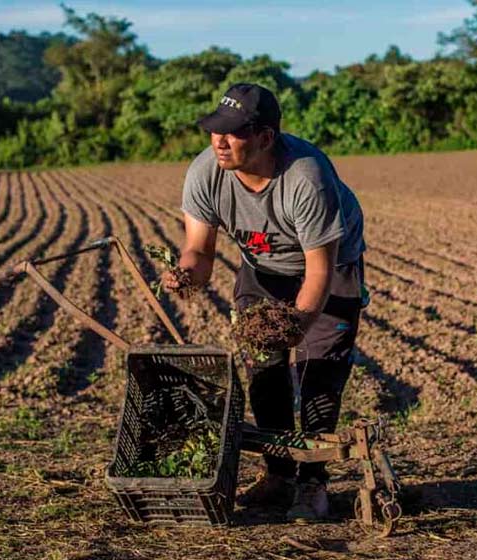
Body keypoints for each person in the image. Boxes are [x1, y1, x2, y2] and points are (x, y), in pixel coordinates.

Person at [161, 83, 366, 521]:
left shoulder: (305, 177)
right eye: (215, 130)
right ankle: (279, 474)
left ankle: (313, 485)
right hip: (264, 267)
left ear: (265, 138)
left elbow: (319, 272)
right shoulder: (205, 173)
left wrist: (297, 324)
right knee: (264, 366)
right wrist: (185, 275)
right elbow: (199, 249)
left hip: (332, 264)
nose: (219, 140)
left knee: (319, 371)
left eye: (233, 133)